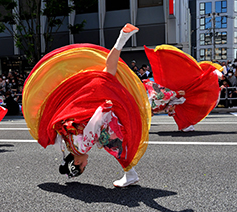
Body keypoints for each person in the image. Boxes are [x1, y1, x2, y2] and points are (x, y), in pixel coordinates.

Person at [22, 23, 151, 187]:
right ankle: (121, 39)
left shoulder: (80, 149)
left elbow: (92, 128)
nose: (87, 164)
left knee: (124, 144)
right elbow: (56, 140)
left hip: (94, 110)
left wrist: (103, 111)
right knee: (108, 72)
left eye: (83, 167)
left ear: (77, 163)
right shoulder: (66, 146)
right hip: (79, 105)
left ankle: (122, 39)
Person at [144, 45, 221, 132]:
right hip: (172, 95)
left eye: (150, 115)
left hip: (170, 90)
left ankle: (210, 74)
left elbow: (163, 95)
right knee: (186, 103)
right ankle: (185, 125)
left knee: (190, 87)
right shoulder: (153, 107)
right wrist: (170, 107)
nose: (151, 116)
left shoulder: (151, 103)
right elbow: (165, 102)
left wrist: (177, 93)